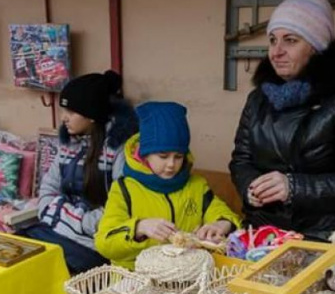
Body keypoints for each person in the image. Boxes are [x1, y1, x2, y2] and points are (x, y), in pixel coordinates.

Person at [229, 0, 335, 240]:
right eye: (272, 40)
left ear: (316, 46)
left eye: (290, 40)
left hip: (324, 239)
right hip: (263, 235)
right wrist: (249, 188)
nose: (276, 52)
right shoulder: (258, 99)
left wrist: (294, 187)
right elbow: (241, 159)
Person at [95, 102, 241, 270]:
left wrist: (222, 224)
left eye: (178, 156)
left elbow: (222, 213)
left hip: (186, 276)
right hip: (135, 279)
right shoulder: (124, 189)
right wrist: (138, 227)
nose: (171, 164)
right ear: (144, 154)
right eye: (163, 156)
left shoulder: (196, 186)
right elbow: (104, 243)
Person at [23, 70, 138, 274]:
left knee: (41, 271)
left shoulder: (119, 150)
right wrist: (58, 214)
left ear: (93, 115)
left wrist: (75, 221)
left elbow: (120, 208)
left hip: (93, 243)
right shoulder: (68, 143)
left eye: (72, 112)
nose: (64, 119)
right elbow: (48, 186)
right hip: (56, 230)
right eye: (63, 110)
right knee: (15, 253)